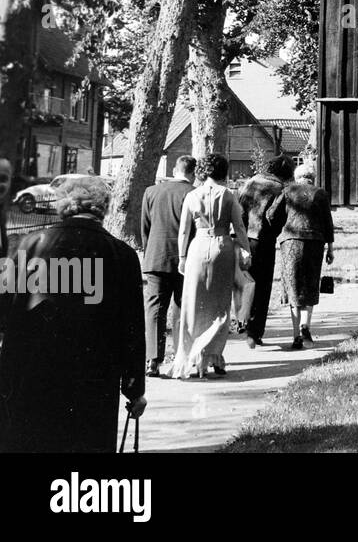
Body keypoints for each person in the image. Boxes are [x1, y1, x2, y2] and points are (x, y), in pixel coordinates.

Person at [0, 178, 147, 451]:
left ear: (63, 206)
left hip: (31, 375)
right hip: (93, 380)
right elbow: (133, 328)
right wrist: (134, 388)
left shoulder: (26, 246)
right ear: (103, 208)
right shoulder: (123, 255)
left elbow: (5, 312)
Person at [174, 154, 250, 379]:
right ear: (223, 171)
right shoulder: (228, 195)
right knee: (219, 305)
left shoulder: (192, 195)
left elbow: (184, 231)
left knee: (193, 305)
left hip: (197, 247)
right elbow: (239, 227)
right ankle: (213, 355)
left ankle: (192, 356)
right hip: (222, 246)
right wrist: (246, 250)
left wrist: (181, 257)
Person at [140, 155, 196, 375]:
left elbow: (145, 228)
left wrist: (149, 253)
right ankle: (181, 355)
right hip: (186, 259)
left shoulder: (151, 192)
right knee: (183, 308)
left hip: (156, 257)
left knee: (155, 308)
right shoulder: (193, 193)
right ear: (193, 173)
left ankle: (152, 359)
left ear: (175, 170)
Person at [269, 166, 334, 350]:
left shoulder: (287, 191)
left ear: (296, 177)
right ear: (312, 177)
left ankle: (296, 334)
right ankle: (306, 325)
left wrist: (278, 230)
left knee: (293, 285)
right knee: (310, 284)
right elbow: (328, 222)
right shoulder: (320, 193)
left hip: (290, 242)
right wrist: (331, 248)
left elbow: (272, 214)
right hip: (315, 242)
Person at [238, 155, 295, 347]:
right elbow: (274, 217)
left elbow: (240, 210)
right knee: (262, 287)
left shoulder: (251, 183)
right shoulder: (280, 189)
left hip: (244, 237)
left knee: (244, 282)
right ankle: (255, 332)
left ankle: (241, 319)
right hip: (264, 241)